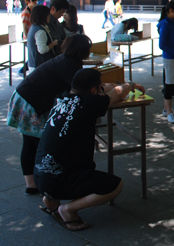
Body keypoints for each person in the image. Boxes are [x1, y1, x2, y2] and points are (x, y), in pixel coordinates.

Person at [35, 69, 143, 231]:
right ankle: (68, 210)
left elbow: (108, 89)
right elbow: (117, 95)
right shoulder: (90, 104)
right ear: (93, 90)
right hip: (59, 181)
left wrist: (111, 86)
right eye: (99, 87)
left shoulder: (62, 97)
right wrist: (131, 84)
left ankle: (50, 198)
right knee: (115, 186)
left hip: (41, 176)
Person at [6, 34, 92, 195]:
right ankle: (49, 184)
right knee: (43, 145)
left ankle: (32, 183)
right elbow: (82, 89)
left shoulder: (64, 59)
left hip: (23, 97)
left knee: (30, 143)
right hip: (31, 104)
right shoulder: (70, 65)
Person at [27, 5, 59, 73]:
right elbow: (42, 50)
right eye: (48, 15)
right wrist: (53, 43)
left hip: (35, 65)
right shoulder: (40, 31)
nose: (49, 17)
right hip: (39, 65)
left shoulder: (34, 27)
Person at [19, 0, 38, 75]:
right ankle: (23, 69)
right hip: (28, 35)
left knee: (35, 53)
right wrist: (26, 38)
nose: (35, 2)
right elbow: (24, 26)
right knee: (33, 54)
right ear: (28, 2)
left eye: (35, 0)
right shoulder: (26, 12)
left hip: (33, 35)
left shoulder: (33, 11)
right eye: (33, 0)